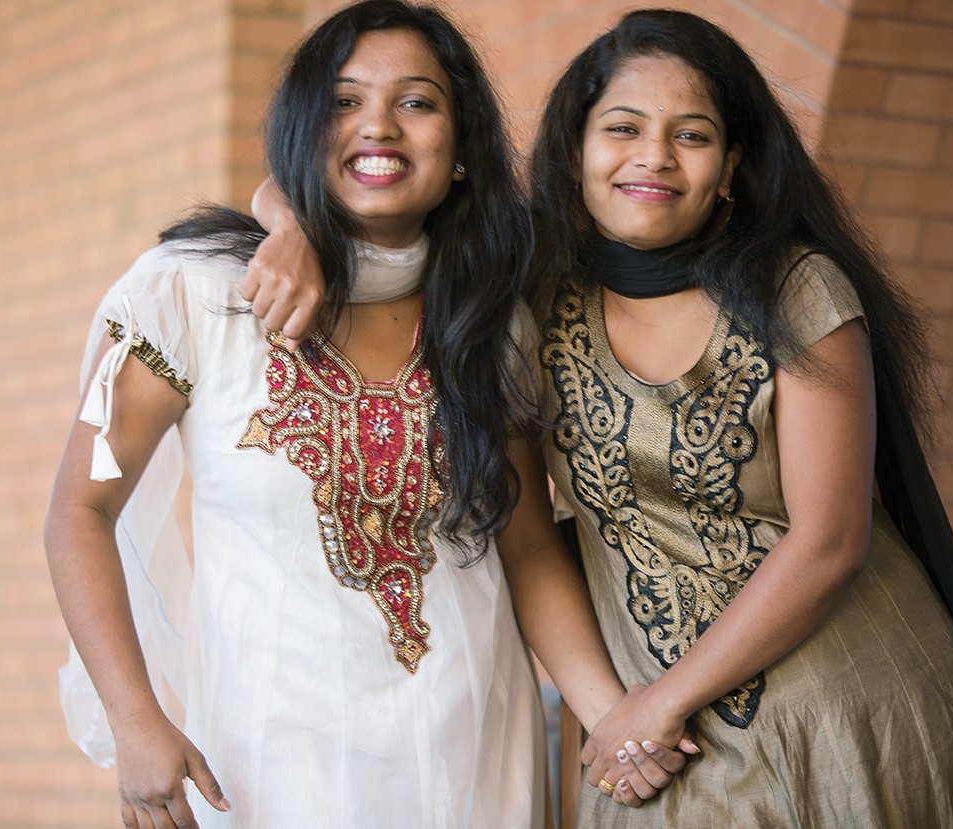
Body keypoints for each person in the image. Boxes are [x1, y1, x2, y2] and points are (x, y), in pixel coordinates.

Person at [243, 7, 953, 828]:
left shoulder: (795, 287)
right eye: (622, 126)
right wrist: (292, 219)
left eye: (692, 136)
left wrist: (657, 708)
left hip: (844, 721)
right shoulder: (523, 290)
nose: (653, 157)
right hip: (645, 755)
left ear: (731, 164)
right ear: (575, 150)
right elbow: (524, 534)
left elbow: (831, 541)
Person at [40, 2, 625, 826]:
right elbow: (79, 508)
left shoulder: (491, 324)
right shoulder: (195, 294)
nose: (378, 126)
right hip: (272, 765)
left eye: (417, 102)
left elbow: (528, 548)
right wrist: (138, 720)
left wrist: (616, 715)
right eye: (344, 102)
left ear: (461, 152)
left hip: (478, 763)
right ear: (303, 131)